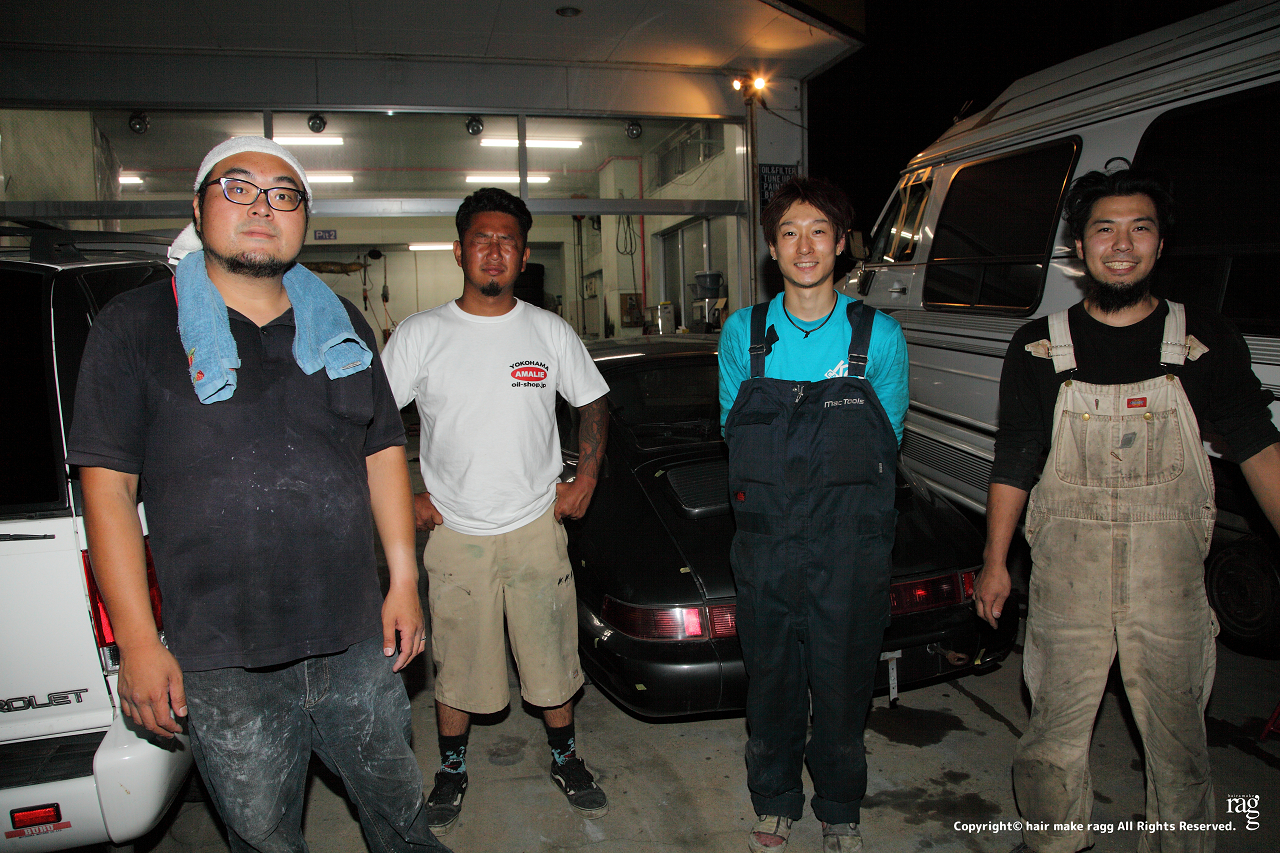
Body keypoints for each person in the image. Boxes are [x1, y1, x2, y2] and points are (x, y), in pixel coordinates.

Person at [67, 138, 451, 853]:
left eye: (283, 194)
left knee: (400, 814)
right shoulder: (135, 326)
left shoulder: (340, 324)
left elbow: (381, 450)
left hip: (353, 636)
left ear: (304, 217)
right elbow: (109, 491)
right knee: (263, 836)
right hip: (222, 657)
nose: (261, 207)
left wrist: (403, 580)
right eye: (237, 188)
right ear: (198, 207)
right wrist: (139, 643)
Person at [975, 168, 1280, 853]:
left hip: (1168, 584)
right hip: (1067, 580)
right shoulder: (1037, 345)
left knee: (1179, 747)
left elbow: (1259, 448)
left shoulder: (1204, 338)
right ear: (1080, 247)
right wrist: (995, 561)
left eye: (1139, 228)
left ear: (1160, 243)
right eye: (1104, 229)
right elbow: (1015, 457)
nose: (1121, 244)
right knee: (1051, 738)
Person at [381, 187, 610, 834]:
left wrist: (586, 477)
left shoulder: (548, 330)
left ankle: (566, 758)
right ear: (459, 251)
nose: (494, 251)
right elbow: (369, 423)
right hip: (456, 532)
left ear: (524, 255)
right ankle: (452, 770)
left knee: (552, 656)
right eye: (481, 239)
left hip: (537, 525)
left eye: (507, 241)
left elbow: (593, 401)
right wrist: (405, 494)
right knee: (457, 664)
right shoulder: (422, 335)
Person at [718, 176, 909, 853]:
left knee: (843, 681)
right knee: (770, 681)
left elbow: (888, 440)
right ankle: (773, 800)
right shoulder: (744, 333)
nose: (805, 247)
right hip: (765, 546)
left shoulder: (878, 335)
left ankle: (840, 805)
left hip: (851, 547)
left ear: (841, 244)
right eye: (790, 233)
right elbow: (734, 433)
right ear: (772, 248)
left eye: (819, 231)